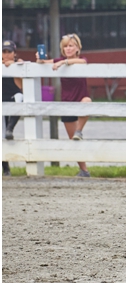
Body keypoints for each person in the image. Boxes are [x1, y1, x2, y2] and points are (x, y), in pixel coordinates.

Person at [35, 33, 92, 177]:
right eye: (65, 46)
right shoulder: (58, 60)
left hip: (80, 99)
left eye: (71, 45)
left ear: (78, 47)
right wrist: (40, 59)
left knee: (87, 102)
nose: (68, 48)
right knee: (73, 140)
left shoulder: (80, 60)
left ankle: (80, 130)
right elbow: (45, 63)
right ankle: (84, 170)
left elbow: (83, 62)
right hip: (67, 102)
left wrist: (64, 63)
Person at [2, 40, 24, 176]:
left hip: (12, 97)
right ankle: (6, 168)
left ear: (14, 53)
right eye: (4, 52)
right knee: (0, 134)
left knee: (19, 98)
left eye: (9, 51)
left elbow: (21, 86)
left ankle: (11, 127)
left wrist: (14, 67)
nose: (6, 54)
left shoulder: (19, 65)